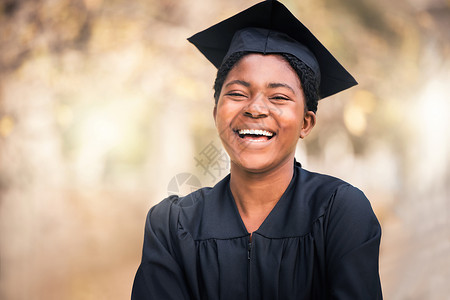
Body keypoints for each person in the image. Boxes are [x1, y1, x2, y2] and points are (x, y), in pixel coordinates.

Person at [131, 1, 382, 299]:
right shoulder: (172, 225)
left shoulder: (339, 213)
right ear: (216, 114)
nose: (255, 109)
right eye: (237, 93)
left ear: (306, 122)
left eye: (278, 97)